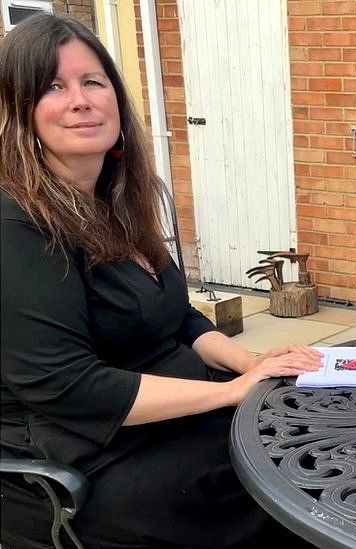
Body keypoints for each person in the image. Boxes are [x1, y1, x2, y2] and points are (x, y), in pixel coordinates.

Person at [1, 15, 322, 547]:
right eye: (53, 87)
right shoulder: (17, 225)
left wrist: (249, 363)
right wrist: (229, 394)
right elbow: (68, 387)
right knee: (278, 484)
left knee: (302, 430)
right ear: (20, 111)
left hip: (173, 415)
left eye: (92, 82)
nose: (80, 99)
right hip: (91, 452)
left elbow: (180, 317)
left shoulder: (115, 204)